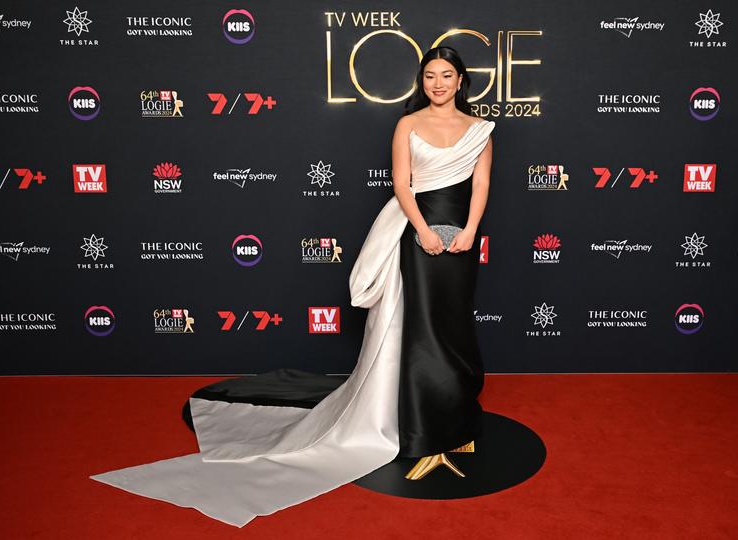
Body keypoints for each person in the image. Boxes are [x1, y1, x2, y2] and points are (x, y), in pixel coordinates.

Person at [90, 45, 495, 527]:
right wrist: (424, 232)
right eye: (429, 75)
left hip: (461, 241)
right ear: (421, 80)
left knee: (454, 333)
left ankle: (456, 422)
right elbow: (402, 185)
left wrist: (469, 232)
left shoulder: (481, 132)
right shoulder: (407, 125)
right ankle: (423, 434)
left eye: (446, 75)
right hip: (418, 237)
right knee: (421, 335)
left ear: (460, 80)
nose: (437, 84)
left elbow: (482, 185)